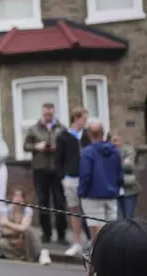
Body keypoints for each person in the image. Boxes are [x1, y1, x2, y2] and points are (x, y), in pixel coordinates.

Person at [22, 102, 67, 244]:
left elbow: (68, 146)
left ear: (53, 113)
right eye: (46, 114)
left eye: (51, 114)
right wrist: (37, 146)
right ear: (42, 113)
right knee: (43, 201)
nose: (48, 116)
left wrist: (57, 147)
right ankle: (46, 234)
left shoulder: (61, 128)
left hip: (57, 170)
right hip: (40, 170)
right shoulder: (34, 129)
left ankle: (61, 235)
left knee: (60, 202)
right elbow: (25, 146)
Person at [54, 106, 91, 256]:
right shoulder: (64, 136)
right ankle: (77, 242)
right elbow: (58, 159)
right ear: (76, 118)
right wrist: (63, 177)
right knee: (74, 210)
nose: (85, 122)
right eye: (84, 119)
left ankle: (92, 240)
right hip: (71, 178)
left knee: (89, 210)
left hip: (87, 178)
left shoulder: (88, 135)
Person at [79, 120, 123, 240]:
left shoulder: (88, 152)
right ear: (103, 133)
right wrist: (116, 189)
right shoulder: (115, 151)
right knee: (111, 228)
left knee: (96, 231)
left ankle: (99, 256)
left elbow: (85, 175)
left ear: (89, 134)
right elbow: (120, 174)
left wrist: (82, 192)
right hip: (111, 195)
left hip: (92, 195)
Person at [0, 188, 51, 265]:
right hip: (12, 239)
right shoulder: (7, 209)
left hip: (24, 239)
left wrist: (7, 223)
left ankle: (40, 254)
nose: (18, 199)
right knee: (1, 243)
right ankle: (22, 257)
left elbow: (24, 228)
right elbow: (4, 231)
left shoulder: (27, 209)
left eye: (20, 196)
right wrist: (15, 233)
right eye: (16, 196)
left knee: (30, 230)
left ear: (24, 199)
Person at [108, 130, 141, 219]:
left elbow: (130, 166)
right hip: (114, 190)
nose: (115, 143)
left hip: (129, 189)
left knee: (129, 218)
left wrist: (114, 164)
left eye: (117, 140)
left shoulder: (128, 149)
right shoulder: (107, 151)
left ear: (121, 140)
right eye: (113, 140)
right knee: (118, 218)